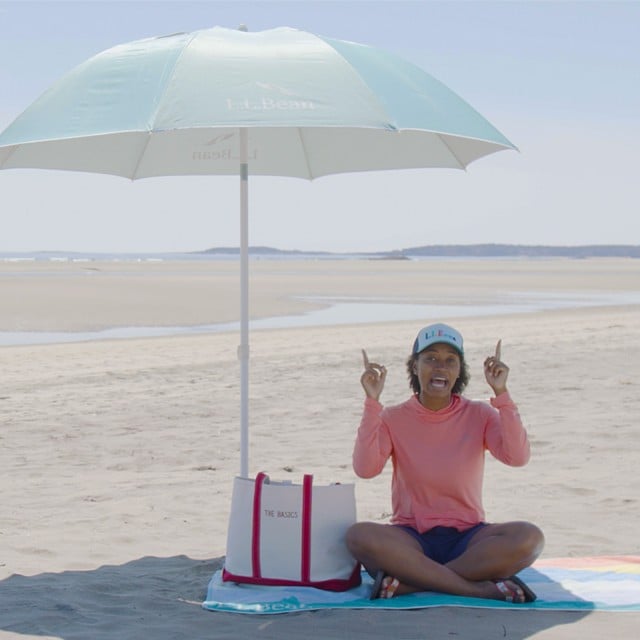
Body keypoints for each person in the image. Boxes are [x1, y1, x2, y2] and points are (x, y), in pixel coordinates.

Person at [346, 322, 544, 602]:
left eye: (450, 360)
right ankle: (477, 589)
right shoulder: (393, 417)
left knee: (529, 538)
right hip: (411, 537)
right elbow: (365, 469)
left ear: (459, 370)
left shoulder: (481, 414)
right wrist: (372, 403)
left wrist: (502, 394)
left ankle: (413, 583)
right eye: (431, 359)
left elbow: (518, 457)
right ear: (415, 367)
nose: (440, 367)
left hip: (468, 538)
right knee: (358, 535)